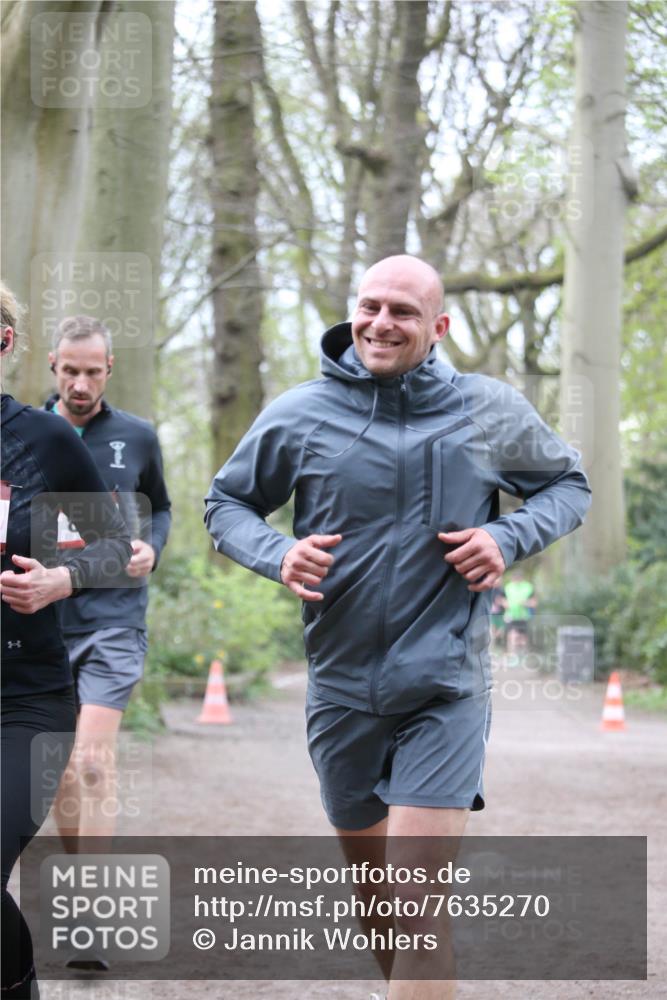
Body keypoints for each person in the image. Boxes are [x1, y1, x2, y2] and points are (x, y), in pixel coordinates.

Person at [204, 255, 591, 998]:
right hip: (340, 690)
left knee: (416, 907)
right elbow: (226, 504)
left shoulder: (486, 410)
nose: (381, 323)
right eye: (370, 306)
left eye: (403, 312)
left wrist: (506, 537)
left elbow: (567, 485)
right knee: (377, 901)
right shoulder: (302, 413)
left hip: (443, 688)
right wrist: (277, 553)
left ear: (437, 326)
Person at [0, 283, 132, 998]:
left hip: (23, 702)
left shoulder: (41, 440)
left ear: (5, 343)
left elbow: (115, 547)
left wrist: (60, 579)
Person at [44, 316, 171, 873]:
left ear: (110, 369)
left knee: (92, 761)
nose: (80, 384)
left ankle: (90, 893)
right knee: (61, 768)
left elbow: (160, 506)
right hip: (44, 622)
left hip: (115, 618)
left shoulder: (138, 436)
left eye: (93, 372)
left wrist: (152, 548)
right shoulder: (26, 434)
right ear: (53, 365)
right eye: (70, 371)